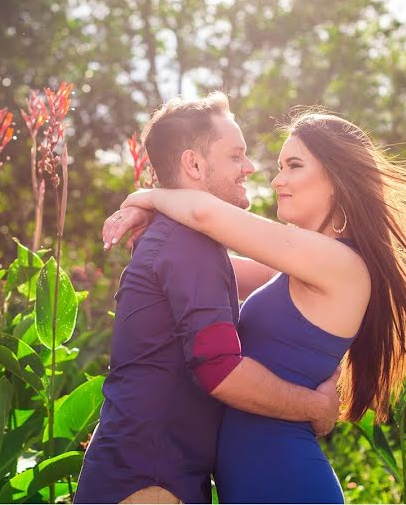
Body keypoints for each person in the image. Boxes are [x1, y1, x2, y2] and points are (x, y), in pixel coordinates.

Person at [104, 106, 406, 503]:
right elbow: (210, 268)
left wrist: (144, 197)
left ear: (336, 178)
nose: (277, 180)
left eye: (294, 165)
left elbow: (203, 212)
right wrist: (157, 229)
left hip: (284, 477)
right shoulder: (304, 269)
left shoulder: (339, 263)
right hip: (254, 477)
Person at [74, 93, 342, 505]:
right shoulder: (188, 245)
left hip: (149, 476)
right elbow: (220, 371)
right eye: (236, 155)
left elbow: (280, 278)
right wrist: (316, 407)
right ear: (194, 165)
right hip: (149, 485)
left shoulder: (186, 244)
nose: (250, 168)